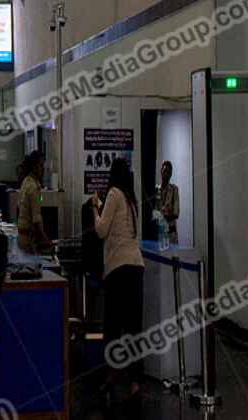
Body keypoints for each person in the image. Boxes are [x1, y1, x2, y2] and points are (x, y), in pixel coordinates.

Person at [92, 158, 144, 402]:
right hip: (136, 267)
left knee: (112, 327)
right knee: (133, 328)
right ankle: (135, 382)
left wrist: (95, 209)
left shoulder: (113, 194)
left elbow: (102, 230)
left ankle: (111, 376)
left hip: (118, 269)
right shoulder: (131, 199)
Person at [17, 150, 51, 255]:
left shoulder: (27, 182)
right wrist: (46, 240)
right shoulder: (33, 188)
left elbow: (38, 202)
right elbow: (36, 221)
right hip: (29, 240)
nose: (43, 169)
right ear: (34, 167)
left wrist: (40, 199)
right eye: (41, 165)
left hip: (22, 237)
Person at [159, 161, 180, 245]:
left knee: (173, 257)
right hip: (160, 234)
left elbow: (176, 213)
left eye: (168, 172)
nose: (166, 174)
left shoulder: (174, 189)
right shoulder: (156, 190)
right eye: (164, 171)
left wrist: (162, 215)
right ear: (161, 171)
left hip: (171, 234)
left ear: (171, 174)